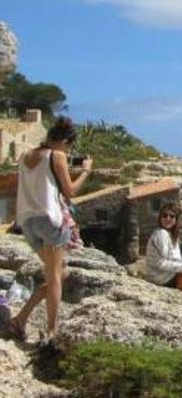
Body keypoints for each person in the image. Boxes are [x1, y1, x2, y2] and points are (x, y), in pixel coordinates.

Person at [7, 117, 92, 342]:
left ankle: (21, 318)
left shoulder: (25, 156)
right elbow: (70, 191)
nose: (68, 149)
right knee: (55, 276)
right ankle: (52, 331)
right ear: (64, 141)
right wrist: (85, 172)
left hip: (28, 222)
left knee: (59, 272)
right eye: (69, 145)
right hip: (50, 221)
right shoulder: (58, 155)